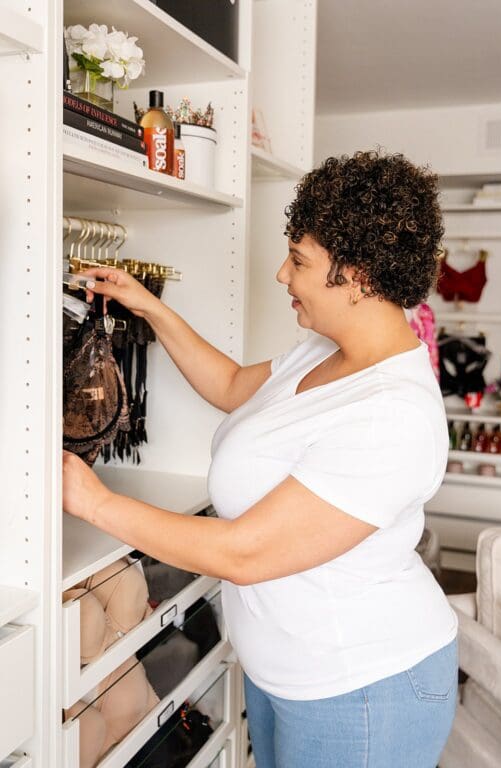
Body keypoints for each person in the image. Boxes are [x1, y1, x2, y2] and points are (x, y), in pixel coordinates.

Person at [62, 151, 458, 768]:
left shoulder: (393, 413)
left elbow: (243, 553)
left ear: (357, 276)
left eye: (299, 261)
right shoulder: (326, 350)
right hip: (287, 671)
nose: (282, 274)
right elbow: (230, 386)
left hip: (362, 689)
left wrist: (97, 502)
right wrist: (153, 309)